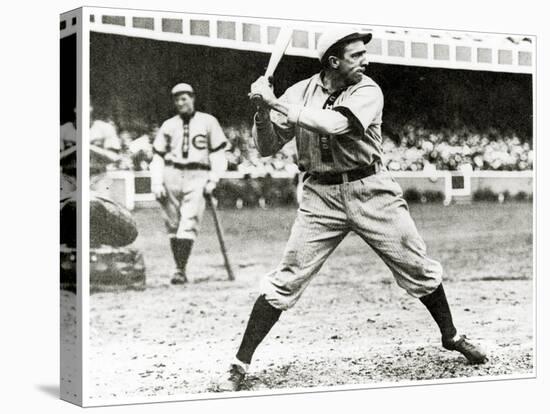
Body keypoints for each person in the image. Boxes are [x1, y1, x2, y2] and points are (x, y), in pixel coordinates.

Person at [218, 28, 487, 391]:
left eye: (364, 53)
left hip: (370, 189)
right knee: (286, 278)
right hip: (319, 197)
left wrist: (277, 102)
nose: (366, 59)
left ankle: (451, 335)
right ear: (333, 61)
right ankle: (240, 362)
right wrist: (262, 110)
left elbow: (335, 123)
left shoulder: (367, 89)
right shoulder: (299, 91)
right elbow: (266, 147)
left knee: (417, 266)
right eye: (356, 55)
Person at [150, 83, 228, 284]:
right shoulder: (168, 124)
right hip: (172, 172)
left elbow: (218, 153)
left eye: (184, 98)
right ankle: (180, 269)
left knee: (189, 220)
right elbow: (157, 156)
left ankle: (179, 269)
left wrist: (214, 179)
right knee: (173, 223)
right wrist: (157, 182)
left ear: (193, 98)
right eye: (176, 99)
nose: (180, 102)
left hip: (198, 174)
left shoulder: (208, 121)